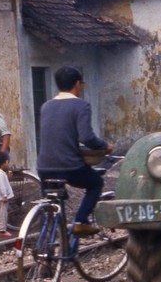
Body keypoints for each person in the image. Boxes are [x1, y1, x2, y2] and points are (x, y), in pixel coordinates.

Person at [36, 65, 112, 236]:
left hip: (44, 167)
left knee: (51, 203)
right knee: (96, 183)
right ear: (77, 84)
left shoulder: (46, 106)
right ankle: (80, 221)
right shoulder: (81, 105)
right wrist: (104, 146)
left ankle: (47, 240)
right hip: (69, 167)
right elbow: (87, 137)